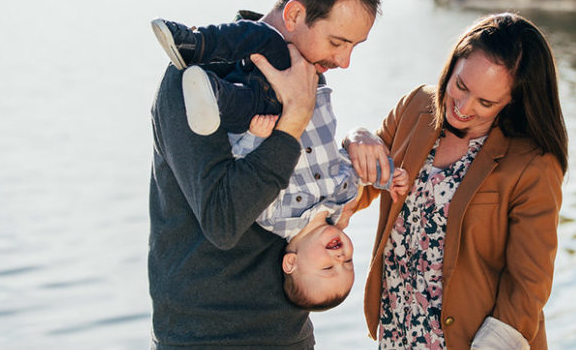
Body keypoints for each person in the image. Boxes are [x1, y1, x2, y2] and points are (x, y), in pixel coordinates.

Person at [148, 0, 380, 350]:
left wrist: (362, 148)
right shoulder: (195, 82)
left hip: (290, 343)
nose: (343, 62)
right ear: (295, 15)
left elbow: (316, 197)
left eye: (354, 47)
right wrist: (293, 121)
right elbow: (225, 219)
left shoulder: (307, 83)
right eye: (338, 42)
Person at [345, 12, 568, 350]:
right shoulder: (414, 110)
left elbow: (526, 291)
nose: (463, 106)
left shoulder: (532, 164)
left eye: (486, 102)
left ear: (512, 102)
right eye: (460, 85)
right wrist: (356, 138)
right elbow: (360, 182)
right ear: (453, 63)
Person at [151, 16, 409, 311]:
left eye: (328, 269)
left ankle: (210, 93)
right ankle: (192, 44)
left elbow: (246, 171)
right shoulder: (344, 198)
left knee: (241, 99)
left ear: (291, 262)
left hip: (262, 114)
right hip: (306, 92)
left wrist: (252, 136)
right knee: (267, 39)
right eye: (348, 262)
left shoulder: (272, 218)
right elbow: (361, 168)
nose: (340, 260)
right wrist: (388, 178)